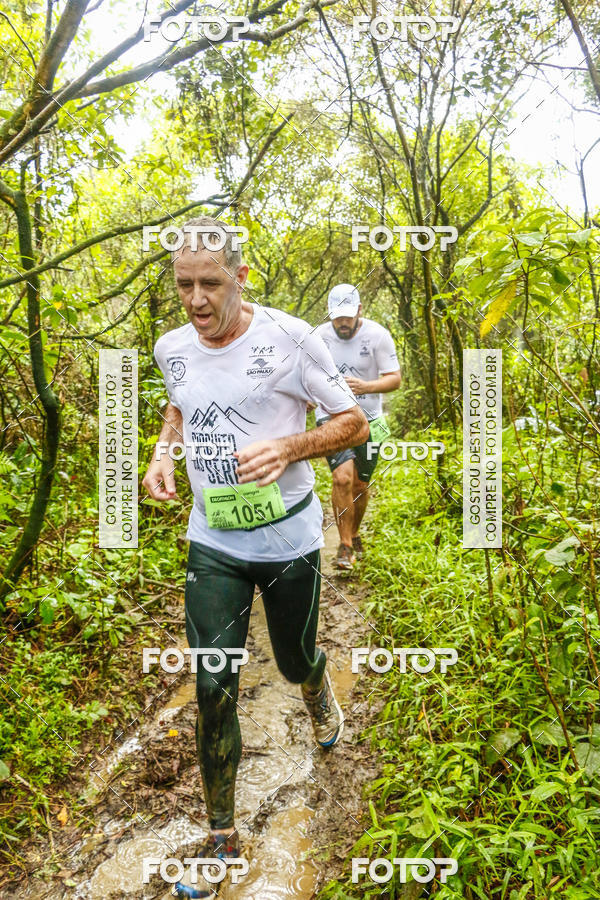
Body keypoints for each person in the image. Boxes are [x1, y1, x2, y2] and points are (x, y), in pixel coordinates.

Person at [142, 218, 368, 898]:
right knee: (213, 686)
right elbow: (179, 406)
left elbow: (353, 421)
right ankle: (221, 838)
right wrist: (163, 449)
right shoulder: (171, 348)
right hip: (213, 542)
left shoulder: (292, 339)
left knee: (296, 656)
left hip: (289, 540)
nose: (196, 300)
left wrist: (289, 448)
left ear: (241, 278)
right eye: (184, 286)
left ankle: (315, 686)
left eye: (210, 284)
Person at [314, 284, 401, 570]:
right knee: (342, 478)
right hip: (332, 417)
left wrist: (367, 386)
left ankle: (353, 532)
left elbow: (394, 379)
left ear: (359, 311)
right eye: (337, 317)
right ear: (330, 315)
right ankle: (345, 546)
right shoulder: (318, 338)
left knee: (361, 485)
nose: (342, 323)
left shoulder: (378, 336)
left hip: (370, 419)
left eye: (347, 317)